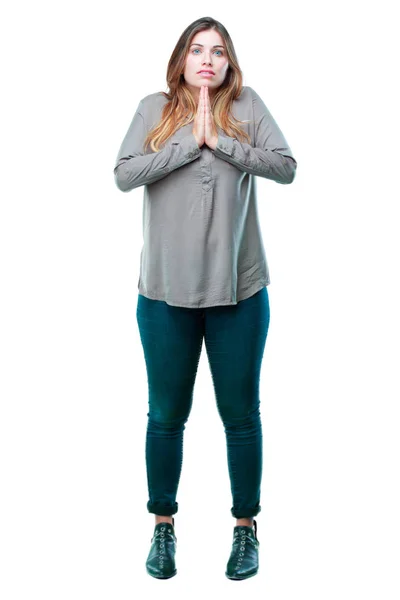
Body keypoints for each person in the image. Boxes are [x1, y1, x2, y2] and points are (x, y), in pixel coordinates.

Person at [113, 16, 297, 580]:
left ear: (229, 61)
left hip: (238, 294)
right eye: (198, 50)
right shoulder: (153, 108)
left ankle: (246, 532)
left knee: (240, 416)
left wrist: (220, 141)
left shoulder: (246, 107)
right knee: (166, 415)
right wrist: (187, 144)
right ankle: (162, 528)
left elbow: (286, 167)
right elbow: (124, 175)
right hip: (165, 296)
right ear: (182, 59)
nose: (208, 60)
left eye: (218, 51)